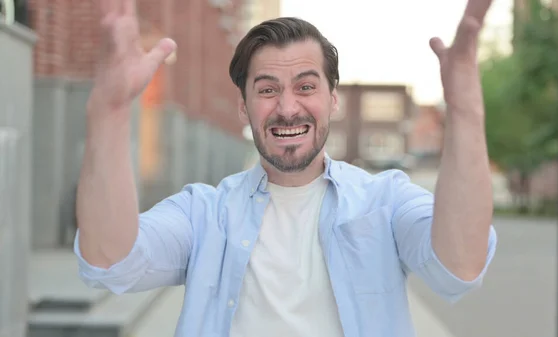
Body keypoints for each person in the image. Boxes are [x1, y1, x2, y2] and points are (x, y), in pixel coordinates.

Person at [74, 0, 498, 336]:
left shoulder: (385, 201)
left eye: (306, 87)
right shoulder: (203, 213)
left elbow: (459, 266)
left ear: (333, 99)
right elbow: (111, 261)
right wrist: (109, 113)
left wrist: (464, 113)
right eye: (267, 89)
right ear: (244, 106)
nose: (288, 107)